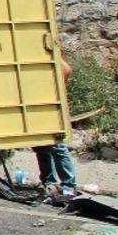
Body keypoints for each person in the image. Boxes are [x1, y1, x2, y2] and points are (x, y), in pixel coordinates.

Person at [35, 56, 77, 197]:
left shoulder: (51, 56)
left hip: (51, 107)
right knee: (41, 146)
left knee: (57, 146)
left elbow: (66, 70)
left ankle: (68, 186)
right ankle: (49, 183)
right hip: (39, 106)